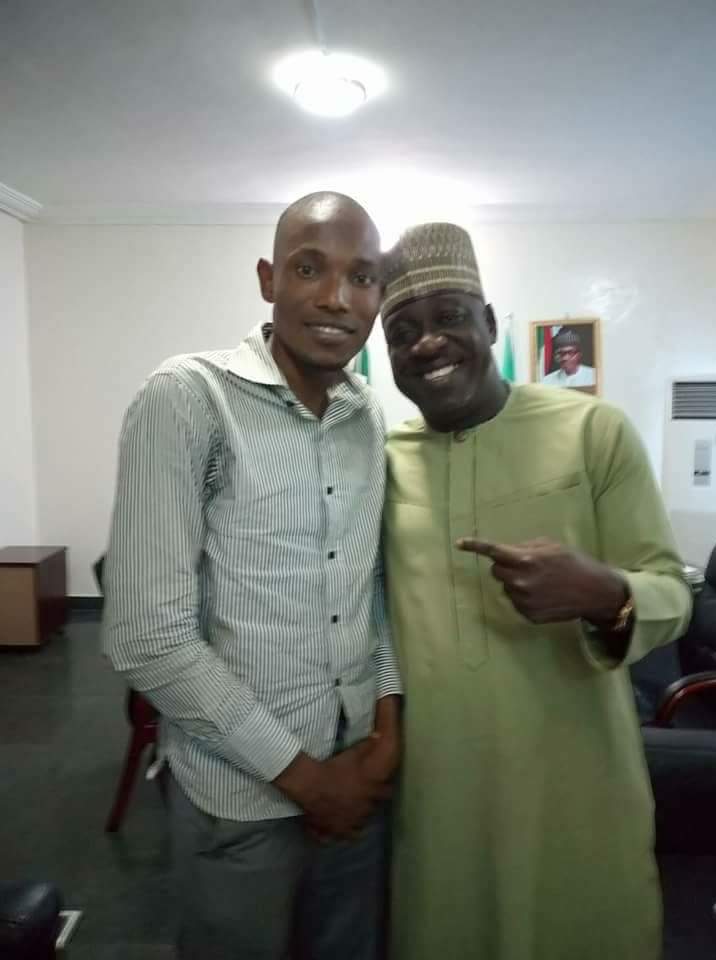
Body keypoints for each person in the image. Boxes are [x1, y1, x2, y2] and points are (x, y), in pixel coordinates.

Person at [101, 192, 402, 960]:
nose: (336, 298)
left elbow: (371, 586)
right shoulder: (187, 398)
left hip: (359, 782)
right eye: (310, 269)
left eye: (362, 277)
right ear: (268, 279)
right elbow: (145, 636)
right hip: (240, 800)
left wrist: (384, 740)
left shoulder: (365, 414)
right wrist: (307, 780)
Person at [379, 221, 692, 960]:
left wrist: (604, 593)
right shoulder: (381, 463)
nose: (427, 343)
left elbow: (671, 592)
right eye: (402, 332)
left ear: (489, 323)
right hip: (439, 794)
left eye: (450, 317)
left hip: (577, 782)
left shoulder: (592, 431)